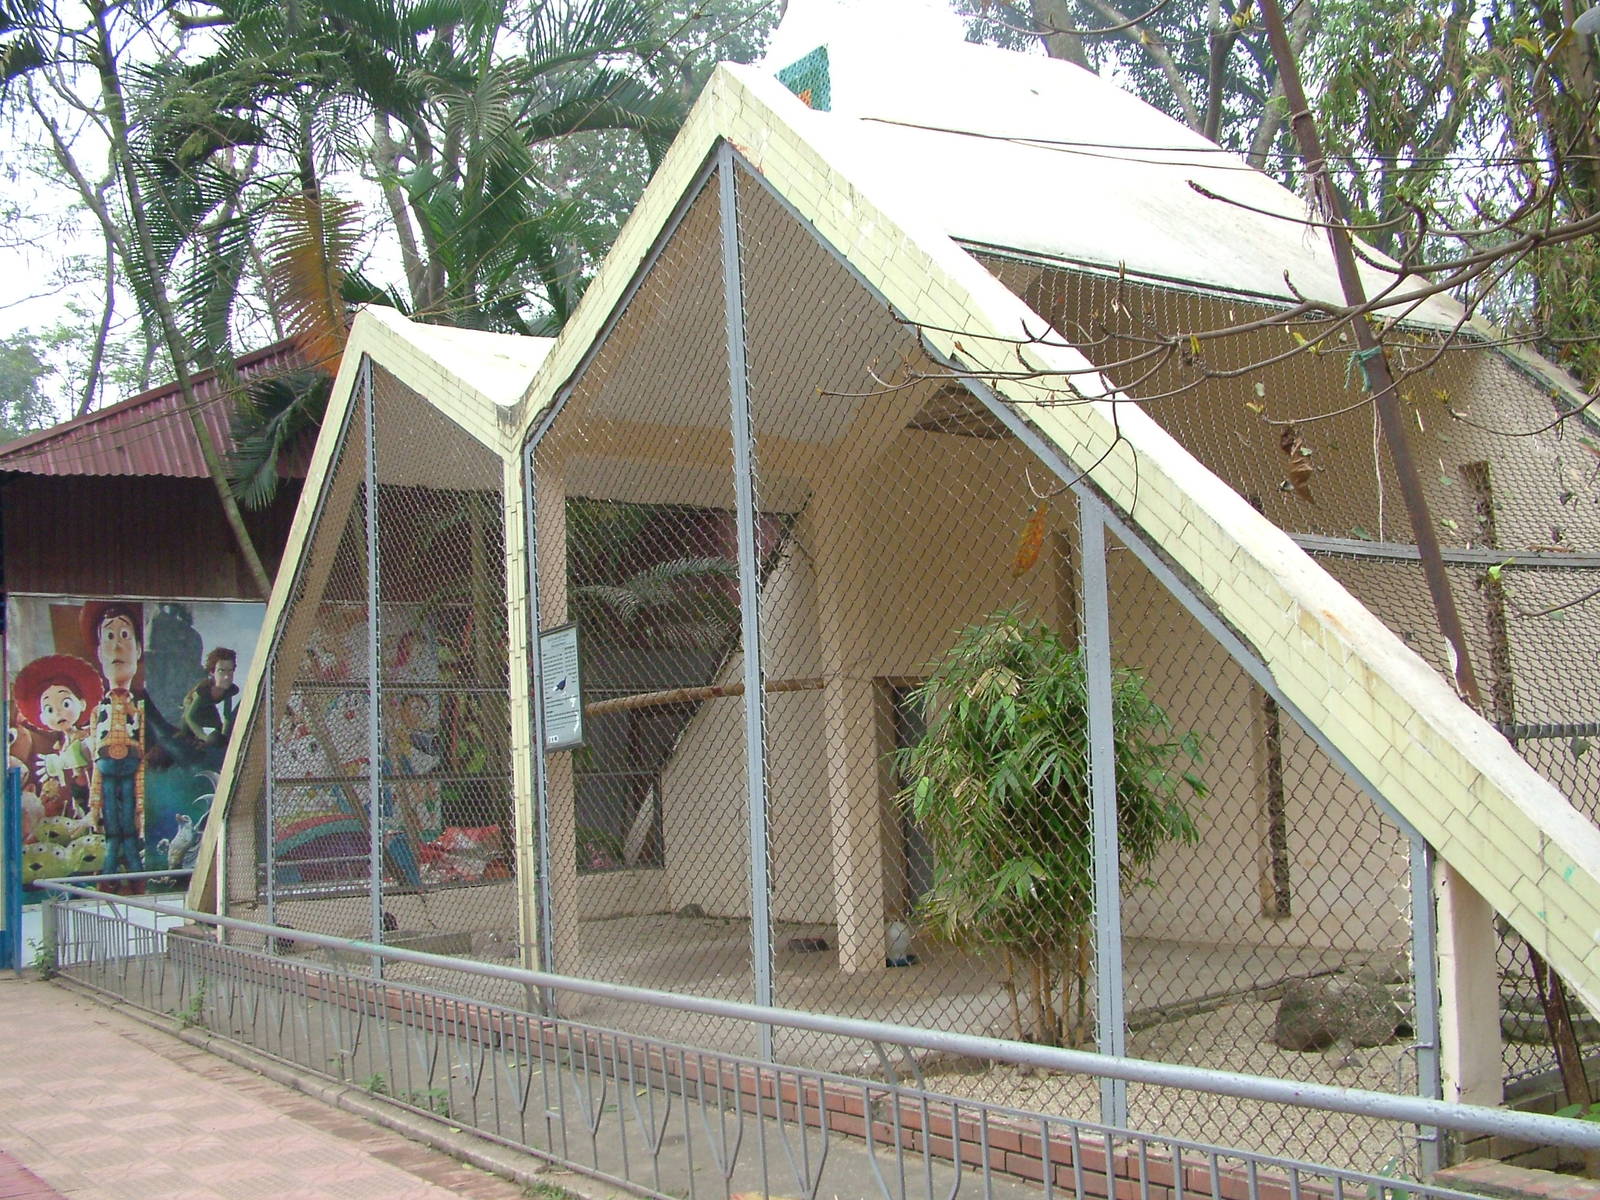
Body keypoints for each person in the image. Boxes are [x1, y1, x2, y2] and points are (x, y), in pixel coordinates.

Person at [84, 603, 152, 882]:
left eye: (125, 636)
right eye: (109, 637)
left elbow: (143, 762)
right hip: (107, 777)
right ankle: (109, 875)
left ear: (138, 649)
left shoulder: (143, 710)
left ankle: (136, 874)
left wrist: (141, 806)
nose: (117, 647)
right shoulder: (97, 713)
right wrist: (93, 805)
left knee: (129, 830)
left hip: (131, 773)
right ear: (100, 653)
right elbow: (95, 765)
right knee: (112, 832)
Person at [179, 647, 239, 770]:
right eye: (221, 671)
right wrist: (203, 737)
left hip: (208, 707)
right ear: (212, 672)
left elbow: (227, 715)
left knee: (219, 729)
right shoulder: (204, 690)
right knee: (185, 737)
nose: (227, 676)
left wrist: (224, 736)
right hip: (191, 708)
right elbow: (189, 716)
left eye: (230, 671)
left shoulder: (229, 689)